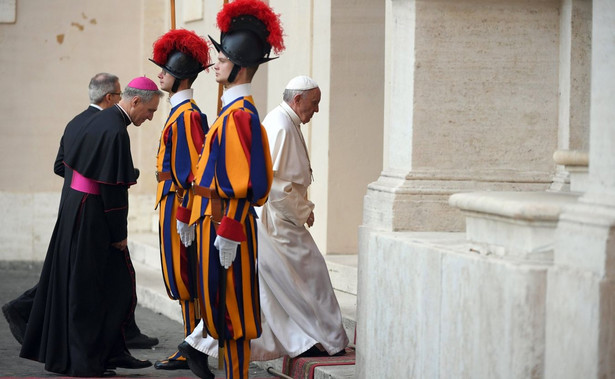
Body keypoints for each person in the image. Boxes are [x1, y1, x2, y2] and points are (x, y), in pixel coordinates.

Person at [180, 76, 348, 376]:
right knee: (306, 278)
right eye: (314, 103)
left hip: (278, 219)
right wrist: (304, 211)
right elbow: (277, 187)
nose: (317, 110)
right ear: (297, 100)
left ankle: (199, 345)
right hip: (276, 223)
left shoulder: (283, 120)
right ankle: (317, 339)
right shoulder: (280, 124)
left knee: (266, 294)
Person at [1, 73, 158, 350]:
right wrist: (105, 179)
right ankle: (102, 343)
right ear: (114, 97)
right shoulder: (111, 126)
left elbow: (60, 166)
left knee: (70, 273)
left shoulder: (78, 122)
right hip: (94, 211)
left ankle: (121, 337)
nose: (150, 117)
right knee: (85, 279)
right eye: (149, 111)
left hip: (74, 205)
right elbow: (110, 185)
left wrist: (87, 182)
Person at [179, 1, 284, 378]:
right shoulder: (230, 113)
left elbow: (244, 186)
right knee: (219, 308)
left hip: (228, 226)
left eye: (222, 57)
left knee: (234, 314)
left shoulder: (239, 116)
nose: (216, 63)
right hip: (215, 221)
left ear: (239, 64)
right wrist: (191, 215)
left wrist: (229, 231)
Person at [148, 29, 213, 372]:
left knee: (184, 276)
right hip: (171, 200)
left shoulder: (187, 115)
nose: (160, 74)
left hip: (179, 204)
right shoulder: (179, 111)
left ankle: (192, 346)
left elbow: (191, 174)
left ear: (181, 77)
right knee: (180, 277)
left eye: (165, 69)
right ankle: (192, 343)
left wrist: (185, 214)